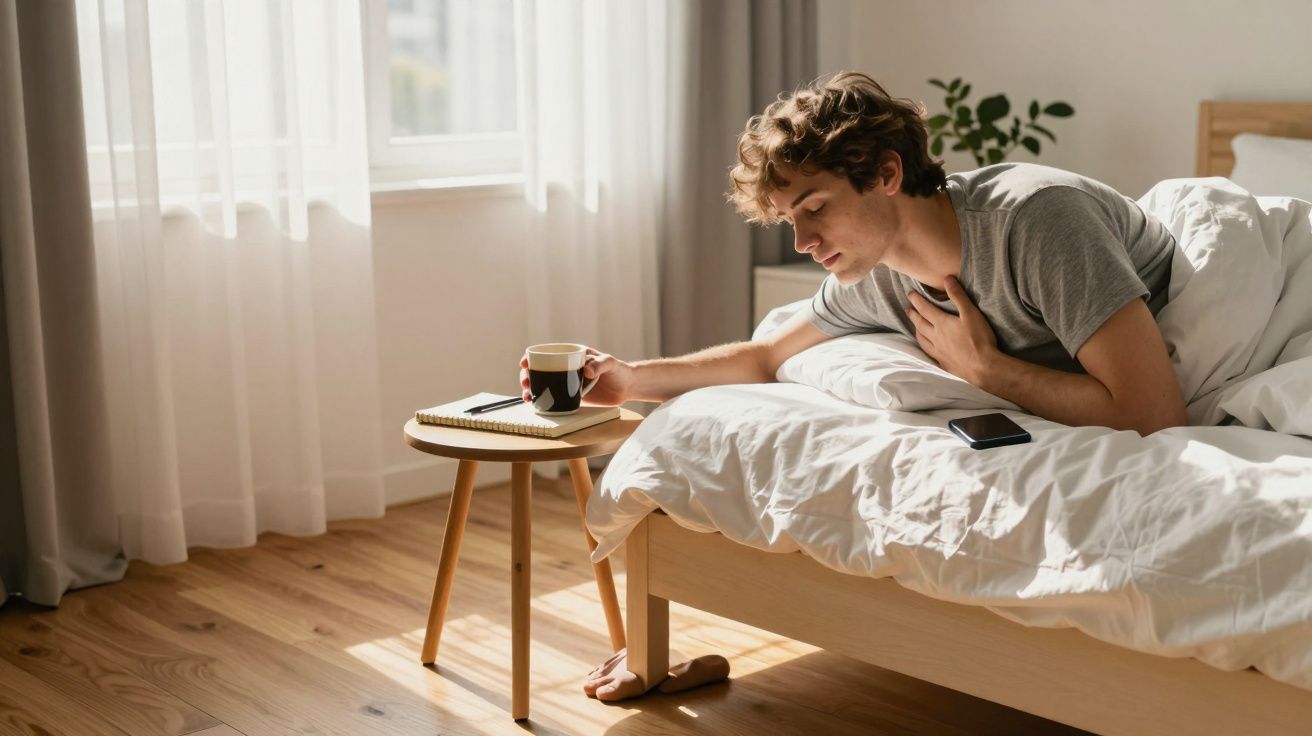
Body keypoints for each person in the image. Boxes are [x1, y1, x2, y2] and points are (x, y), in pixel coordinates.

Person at [526, 71, 1188, 701]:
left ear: (887, 173)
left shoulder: (1039, 224)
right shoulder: (880, 272)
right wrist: (631, 380)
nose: (805, 241)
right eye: (791, 219)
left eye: (816, 207)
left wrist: (989, 372)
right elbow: (765, 357)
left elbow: (1153, 412)